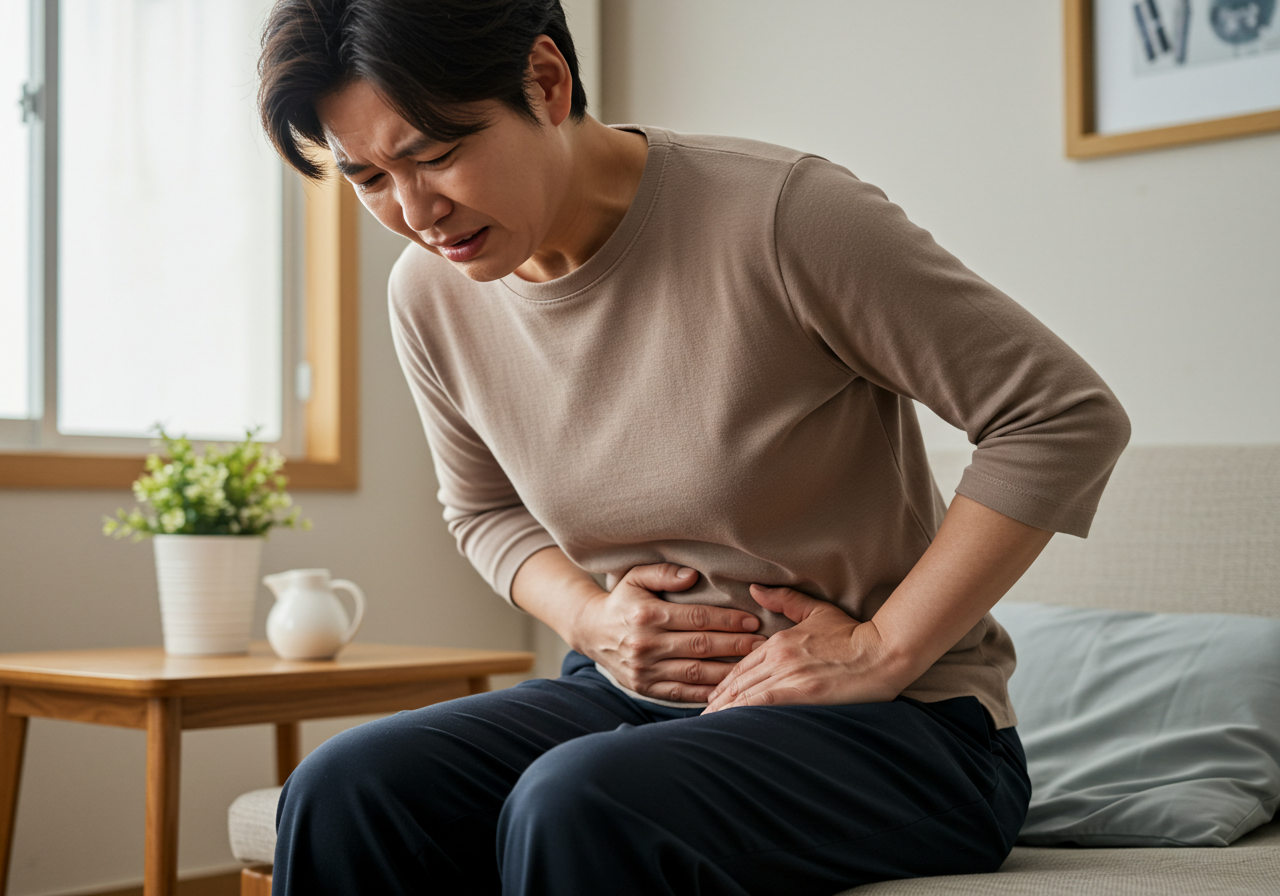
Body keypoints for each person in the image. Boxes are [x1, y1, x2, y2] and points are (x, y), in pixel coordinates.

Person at [257, 2, 1131, 894]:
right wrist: (592, 621)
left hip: (901, 725)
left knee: (580, 801)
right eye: (368, 178)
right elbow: (483, 509)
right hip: (630, 701)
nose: (415, 212)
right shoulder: (430, 294)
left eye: (437, 154)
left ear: (545, 82)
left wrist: (884, 648)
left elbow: (1059, 415)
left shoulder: (781, 215)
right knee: (345, 788)